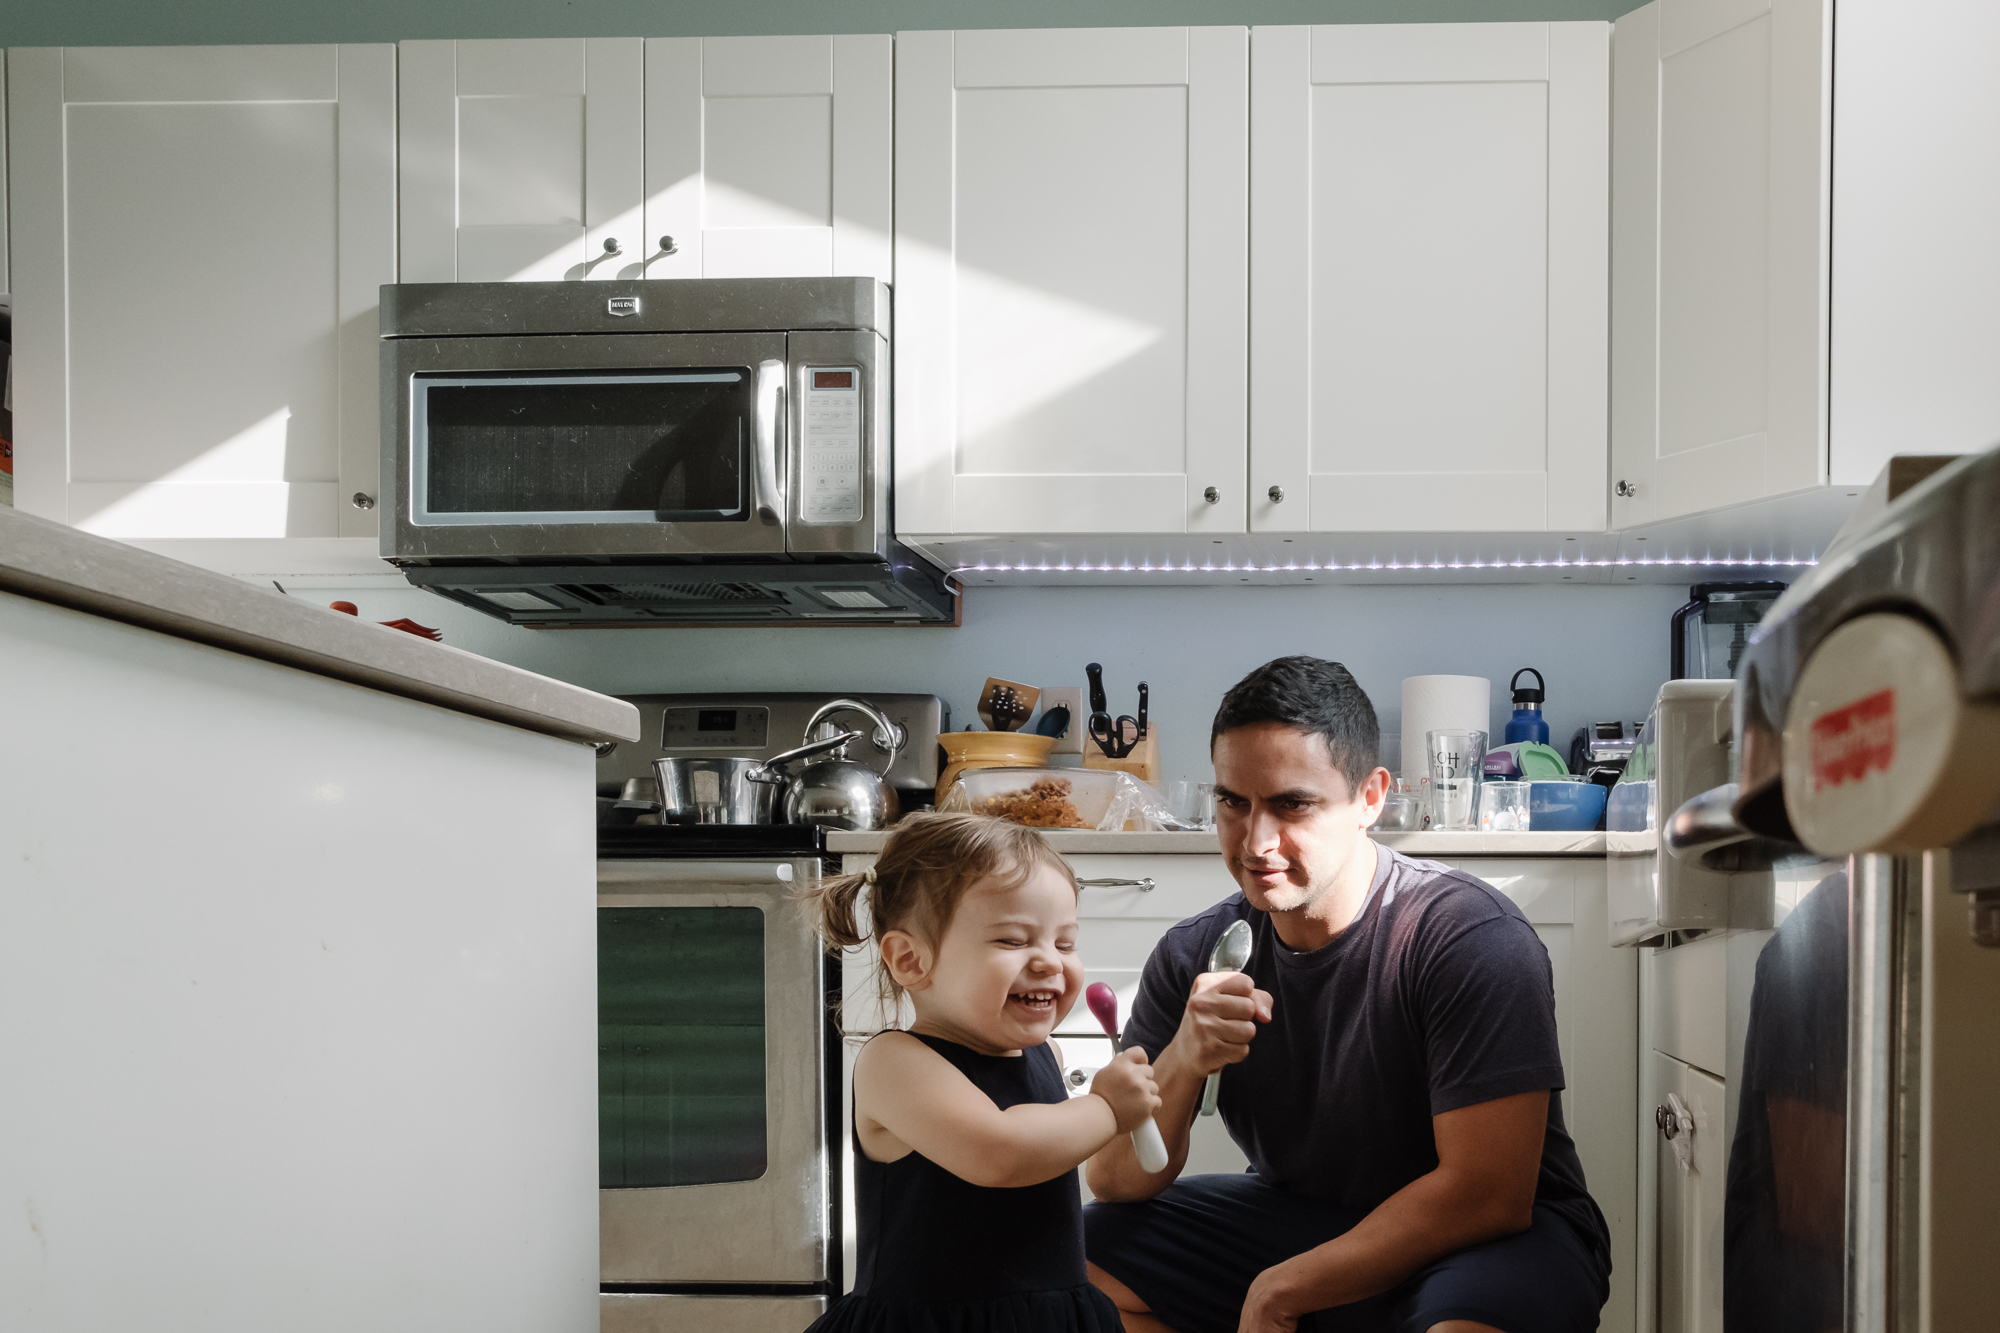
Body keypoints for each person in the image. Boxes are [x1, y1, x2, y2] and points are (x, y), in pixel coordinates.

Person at [1083, 657, 1611, 1333]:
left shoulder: (1467, 935)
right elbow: (1116, 1179)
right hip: (1307, 1215)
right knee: (1078, 1261)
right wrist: (1184, 1054)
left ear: (1370, 797)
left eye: (1291, 803)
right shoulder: (1196, 952)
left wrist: (1283, 1289)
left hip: (1495, 1235)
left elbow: (1490, 1193)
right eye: (1232, 802)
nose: (1256, 841)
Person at [801, 811, 1164, 1333]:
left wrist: (1128, 1112)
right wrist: (1106, 1108)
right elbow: (1000, 1154)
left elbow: (1052, 1153)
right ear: (910, 960)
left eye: (1065, 942)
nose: (1049, 962)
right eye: (1014, 941)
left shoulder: (1049, 1057)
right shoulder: (895, 1062)